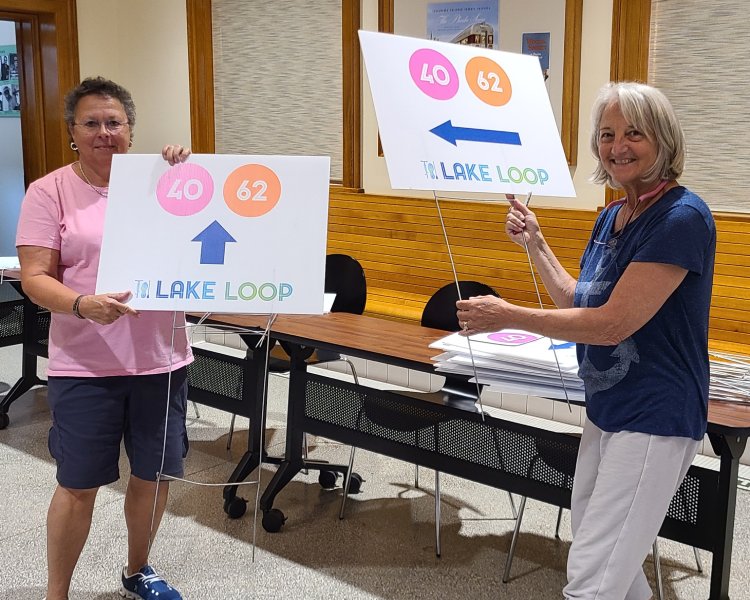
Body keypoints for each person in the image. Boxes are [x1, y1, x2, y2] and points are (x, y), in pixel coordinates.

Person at [456, 81, 715, 599]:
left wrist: (507, 314)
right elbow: (581, 299)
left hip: (655, 415)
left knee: (592, 576)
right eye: (606, 134)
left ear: (663, 139)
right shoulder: (612, 215)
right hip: (607, 406)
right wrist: (535, 243)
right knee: (606, 555)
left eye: (633, 133)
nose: (617, 146)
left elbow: (613, 324)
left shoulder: (682, 218)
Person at [15, 77, 193, 600]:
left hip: (160, 359)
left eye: (114, 122)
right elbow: (34, 275)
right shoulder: (48, 191)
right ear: (72, 131)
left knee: (154, 476)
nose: (103, 132)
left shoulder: (164, 183)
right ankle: (57, 593)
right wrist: (79, 304)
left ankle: (139, 570)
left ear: (130, 131)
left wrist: (188, 172)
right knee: (78, 485)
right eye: (91, 122)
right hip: (85, 363)